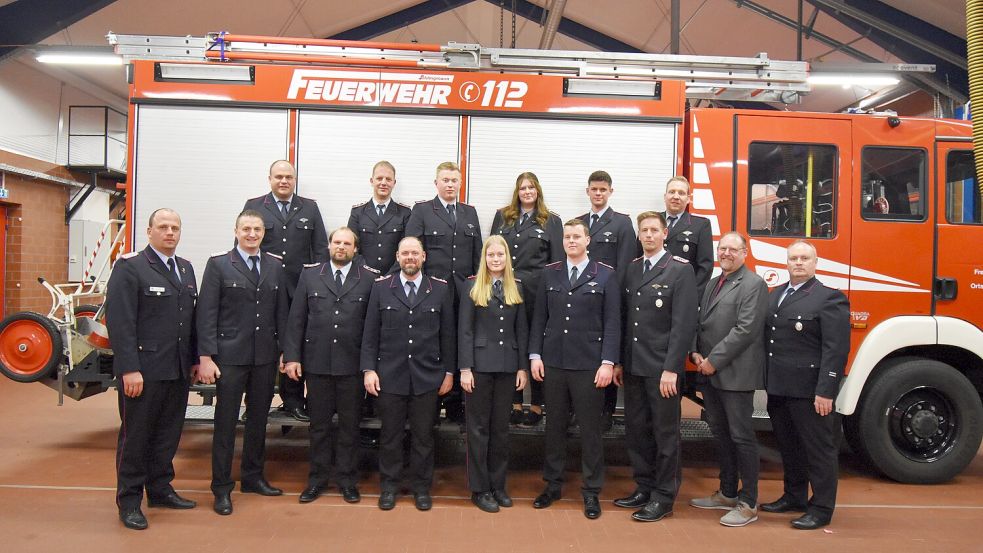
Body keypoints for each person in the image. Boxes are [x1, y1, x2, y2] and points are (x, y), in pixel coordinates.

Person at [106, 208, 198, 530]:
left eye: (175, 227)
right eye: (163, 227)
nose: (170, 232)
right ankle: (129, 501)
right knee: (136, 438)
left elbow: (190, 322)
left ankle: (160, 489)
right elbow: (121, 323)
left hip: (176, 369)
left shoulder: (185, 269)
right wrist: (129, 368)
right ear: (149, 232)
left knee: (167, 435)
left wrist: (196, 360)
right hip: (143, 371)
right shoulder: (131, 268)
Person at [196, 210, 289, 515]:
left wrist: (283, 350)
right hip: (230, 358)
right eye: (246, 229)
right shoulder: (220, 264)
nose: (252, 234)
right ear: (236, 231)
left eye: (257, 229)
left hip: (263, 357)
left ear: (264, 233)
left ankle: (252, 477)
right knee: (225, 424)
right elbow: (206, 313)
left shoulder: (275, 265)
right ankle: (222, 487)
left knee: (258, 421)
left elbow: (281, 312)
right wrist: (206, 356)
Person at [528, 219, 621, 520]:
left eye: (576, 236)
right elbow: (539, 318)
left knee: (590, 431)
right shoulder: (549, 273)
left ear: (588, 240)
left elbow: (612, 323)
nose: (571, 241)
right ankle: (552, 485)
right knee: (554, 427)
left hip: (589, 366)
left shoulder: (605, 275)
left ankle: (591, 491)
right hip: (554, 363)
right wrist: (534, 355)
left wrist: (608, 362)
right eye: (567, 236)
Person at [282, 227, 379, 505]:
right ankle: (317, 480)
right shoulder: (311, 275)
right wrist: (293, 356)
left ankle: (348, 481)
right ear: (329, 245)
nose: (341, 247)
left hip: (351, 366)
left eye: (347, 244)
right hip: (317, 363)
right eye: (337, 242)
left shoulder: (369, 278)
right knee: (319, 427)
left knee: (350, 428)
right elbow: (297, 318)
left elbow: (372, 327)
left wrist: (369, 366)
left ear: (355, 249)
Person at [613, 211, 698, 523]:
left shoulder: (678, 270)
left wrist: (673, 368)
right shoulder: (633, 269)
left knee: (665, 434)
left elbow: (683, 324)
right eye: (643, 231)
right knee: (637, 431)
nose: (648, 235)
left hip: (662, 369)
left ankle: (663, 496)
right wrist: (622, 361)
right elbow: (626, 320)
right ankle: (644, 486)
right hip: (635, 366)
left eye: (653, 230)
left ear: (665, 234)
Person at [362, 236, 456, 511]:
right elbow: (370, 334)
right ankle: (389, 487)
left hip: (427, 377)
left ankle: (421, 488)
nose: (410, 258)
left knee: (423, 437)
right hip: (390, 376)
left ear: (424, 257)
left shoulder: (439, 289)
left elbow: (448, 336)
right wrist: (369, 370)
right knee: (390, 436)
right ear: (398, 256)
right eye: (405, 254)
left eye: (415, 253)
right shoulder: (381, 289)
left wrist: (448, 373)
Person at [760, 240, 849, 530]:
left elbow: (836, 350)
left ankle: (821, 507)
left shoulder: (829, 298)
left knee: (819, 451)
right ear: (786, 262)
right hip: (780, 388)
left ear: (815, 263)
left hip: (810, 391)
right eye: (793, 258)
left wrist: (826, 391)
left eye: (804, 258)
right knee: (789, 446)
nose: (798, 263)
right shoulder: (776, 295)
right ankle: (794, 495)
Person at [688, 232, 769, 527]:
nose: (726, 254)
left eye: (733, 250)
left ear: (745, 253)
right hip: (710, 372)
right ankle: (726, 492)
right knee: (721, 435)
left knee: (741, 437)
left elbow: (745, 330)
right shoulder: (713, 282)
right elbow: (702, 322)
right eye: (722, 249)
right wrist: (696, 352)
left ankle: (748, 503)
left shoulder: (754, 284)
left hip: (734, 375)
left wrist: (713, 361)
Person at [242, 159, 328, 421]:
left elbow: (321, 249)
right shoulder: (254, 206)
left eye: (288, 177)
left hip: (298, 289)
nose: (283, 181)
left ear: (294, 180)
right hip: (264, 289)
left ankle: (293, 400)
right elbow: (243, 245)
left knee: (295, 344)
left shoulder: (309, 208)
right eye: (278, 176)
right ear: (269, 179)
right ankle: (256, 403)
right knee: (262, 344)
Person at [403, 161, 481, 423]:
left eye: (454, 180)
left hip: (463, 292)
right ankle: (433, 402)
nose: (450, 185)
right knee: (433, 343)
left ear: (460, 184)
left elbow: (477, 254)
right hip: (431, 292)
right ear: (436, 183)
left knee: (461, 342)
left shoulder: (469, 213)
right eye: (445, 180)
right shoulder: (423, 210)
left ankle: (457, 402)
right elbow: (412, 249)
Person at [458, 235, 529, 513]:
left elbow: (521, 330)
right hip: (479, 368)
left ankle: (498, 486)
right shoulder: (472, 285)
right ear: (484, 258)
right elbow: (465, 330)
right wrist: (465, 368)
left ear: (507, 258)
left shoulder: (516, 287)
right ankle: (480, 488)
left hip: (507, 366)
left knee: (501, 429)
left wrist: (522, 366)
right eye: (491, 255)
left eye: (500, 255)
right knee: (478, 429)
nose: (496, 259)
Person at [489, 172, 563, 427]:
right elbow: (492, 251)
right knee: (510, 342)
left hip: (536, 292)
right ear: (517, 191)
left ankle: (536, 404)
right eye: (522, 188)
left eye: (531, 187)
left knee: (535, 345)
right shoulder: (503, 216)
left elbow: (556, 263)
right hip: (506, 290)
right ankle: (514, 402)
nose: (527, 192)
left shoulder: (551, 220)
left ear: (538, 190)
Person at [577, 170, 638, 431]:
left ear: (610, 191)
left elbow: (624, 266)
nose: (598, 193)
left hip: (607, 299)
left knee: (607, 355)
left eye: (603, 189)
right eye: (594, 189)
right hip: (580, 301)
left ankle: (606, 412)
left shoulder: (622, 223)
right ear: (587, 191)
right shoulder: (578, 222)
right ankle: (577, 412)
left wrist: (615, 299)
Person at [347, 161, 412, 273]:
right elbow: (351, 248)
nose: (383, 183)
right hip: (362, 277)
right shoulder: (357, 213)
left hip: (394, 278)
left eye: (388, 179)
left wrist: (391, 275)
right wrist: (367, 273)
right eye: (379, 178)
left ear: (394, 183)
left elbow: (407, 250)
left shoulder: (405, 213)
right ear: (372, 181)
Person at [662, 176, 714, 296]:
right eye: (671, 192)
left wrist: (691, 296)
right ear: (665, 197)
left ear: (688, 199)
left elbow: (705, 267)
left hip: (682, 294)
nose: (676, 196)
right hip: (652, 294)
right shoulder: (652, 221)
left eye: (681, 193)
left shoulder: (701, 225)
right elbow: (639, 259)